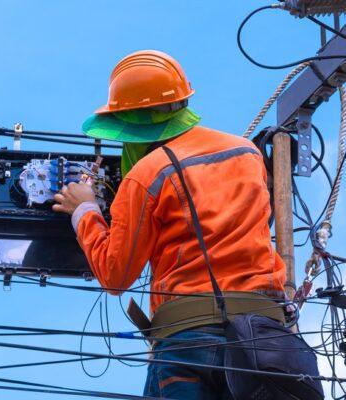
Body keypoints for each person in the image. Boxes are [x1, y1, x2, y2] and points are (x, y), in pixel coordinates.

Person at [52, 50, 287, 399]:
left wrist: (84, 210)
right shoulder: (247, 153)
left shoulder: (147, 176)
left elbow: (116, 275)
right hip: (265, 338)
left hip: (188, 340)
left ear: (131, 124)